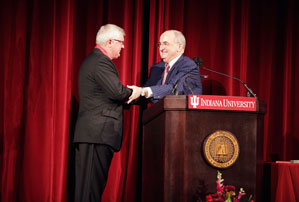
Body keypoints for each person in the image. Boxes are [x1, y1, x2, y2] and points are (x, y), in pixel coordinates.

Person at [73, 24, 141, 202]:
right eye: (121, 42)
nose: (123, 47)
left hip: (95, 134)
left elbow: (109, 94)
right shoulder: (101, 61)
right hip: (96, 134)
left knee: (91, 190)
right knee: (89, 191)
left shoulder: (96, 60)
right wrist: (135, 92)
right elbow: (117, 92)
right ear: (109, 42)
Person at [128, 30, 202, 103]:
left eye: (166, 44)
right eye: (160, 44)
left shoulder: (188, 65)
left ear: (179, 47)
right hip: (159, 114)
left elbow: (173, 89)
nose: (161, 48)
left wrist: (141, 91)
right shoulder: (156, 68)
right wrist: (127, 96)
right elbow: (147, 92)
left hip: (182, 114)